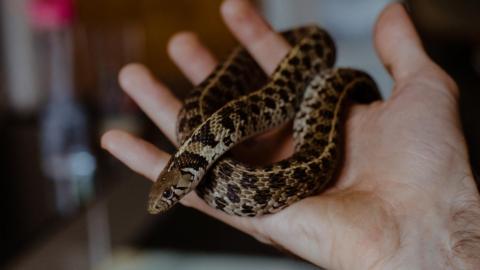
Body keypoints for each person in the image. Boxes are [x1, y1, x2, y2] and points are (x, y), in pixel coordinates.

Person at [101, 0, 480, 268]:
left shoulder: (217, 135)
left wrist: (440, 236)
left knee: (302, 88)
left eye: (169, 193)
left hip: (289, 103)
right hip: (235, 132)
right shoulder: (202, 143)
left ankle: (343, 82)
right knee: (205, 106)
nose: (167, 199)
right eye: (169, 194)